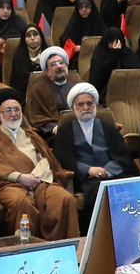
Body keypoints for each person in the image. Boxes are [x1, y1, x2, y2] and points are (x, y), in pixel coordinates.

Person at [0, 90, 78, 240]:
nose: (14, 114)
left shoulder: (32, 135)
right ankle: (26, 248)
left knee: (65, 198)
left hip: (41, 182)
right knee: (22, 202)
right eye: (8, 110)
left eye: (16, 109)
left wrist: (37, 177)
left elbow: (47, 159)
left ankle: (65, 245)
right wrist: (21, 177)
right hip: (10, 185)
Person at [51, 83, 132, 220]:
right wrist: (88, 169)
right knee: (97, 192)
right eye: (80, 104)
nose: (86, 108)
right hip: (85, 179)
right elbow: (62, 159)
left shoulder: (108, 128)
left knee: (131, 190)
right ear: (73, 108)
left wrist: (108, 171)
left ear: (95, 105)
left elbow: (123, 157)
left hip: (112, 176)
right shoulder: (65, 131)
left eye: (89, 103)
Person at [24, 46, 82, 135]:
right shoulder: (37, 89)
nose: (59, 66)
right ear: (47, 72)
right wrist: (54, 127)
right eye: (53, 64)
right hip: (54, 133)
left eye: (61, 62)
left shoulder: (78, 85)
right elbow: (33, 116)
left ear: (66, 66)